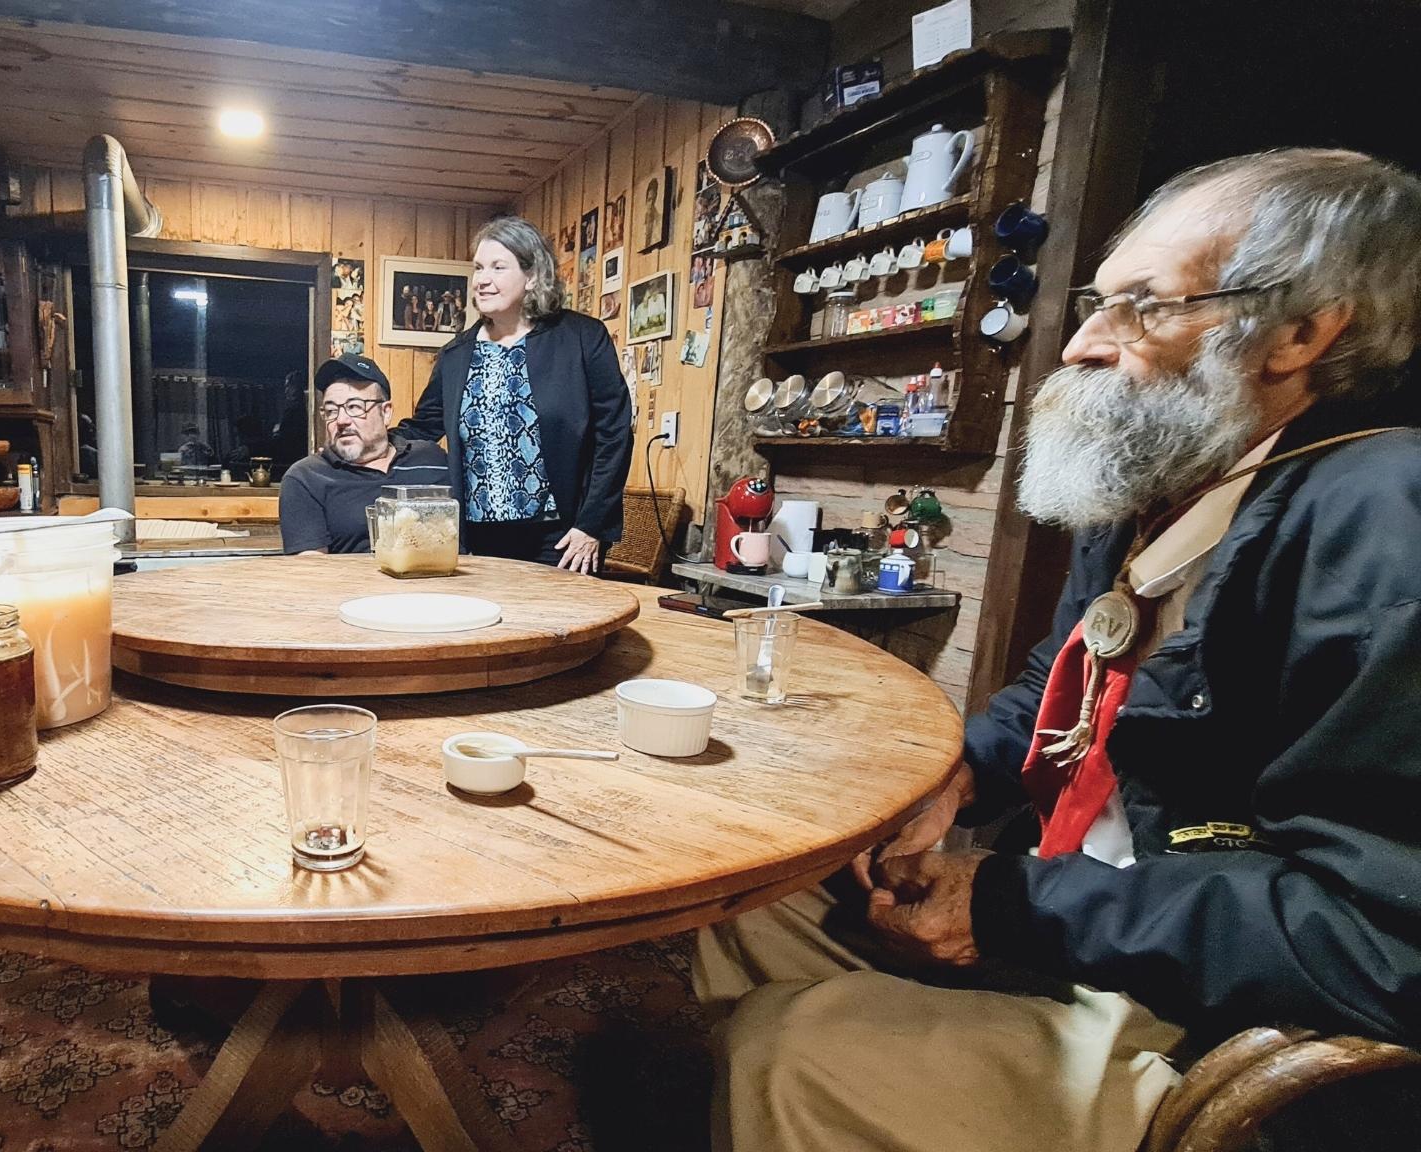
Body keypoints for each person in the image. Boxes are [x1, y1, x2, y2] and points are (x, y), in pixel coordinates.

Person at [694, 149, 1421, 1152]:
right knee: (748, 889)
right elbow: (1056, 690)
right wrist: (954, 775)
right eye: (1094, 302)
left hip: (1207, 1024)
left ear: (1298, 333)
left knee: (795, 1051)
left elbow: (1373, 938)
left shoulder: (1381, 517)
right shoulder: (1155, 492)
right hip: (1081, 918)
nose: (1078, 342)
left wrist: (1012, 908)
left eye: (1140, 306)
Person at [396, 216, 632, 573]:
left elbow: (614, 435)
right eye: (478, 268)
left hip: (563, 537)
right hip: (477, 540)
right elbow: (423, 427)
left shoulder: (582, 338)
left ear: (533, 275)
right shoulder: (457, 354)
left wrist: (591, 524)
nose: (482, 280)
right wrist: (366, 442)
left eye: (497, 267)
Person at [279, 354, 449, 554]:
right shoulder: (306, 478)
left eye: (354, 407)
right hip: (353, 585)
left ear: (385, 413)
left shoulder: (433, 458)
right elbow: (312, 570)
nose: (341, 420)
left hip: (449, 582)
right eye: (332, 411)